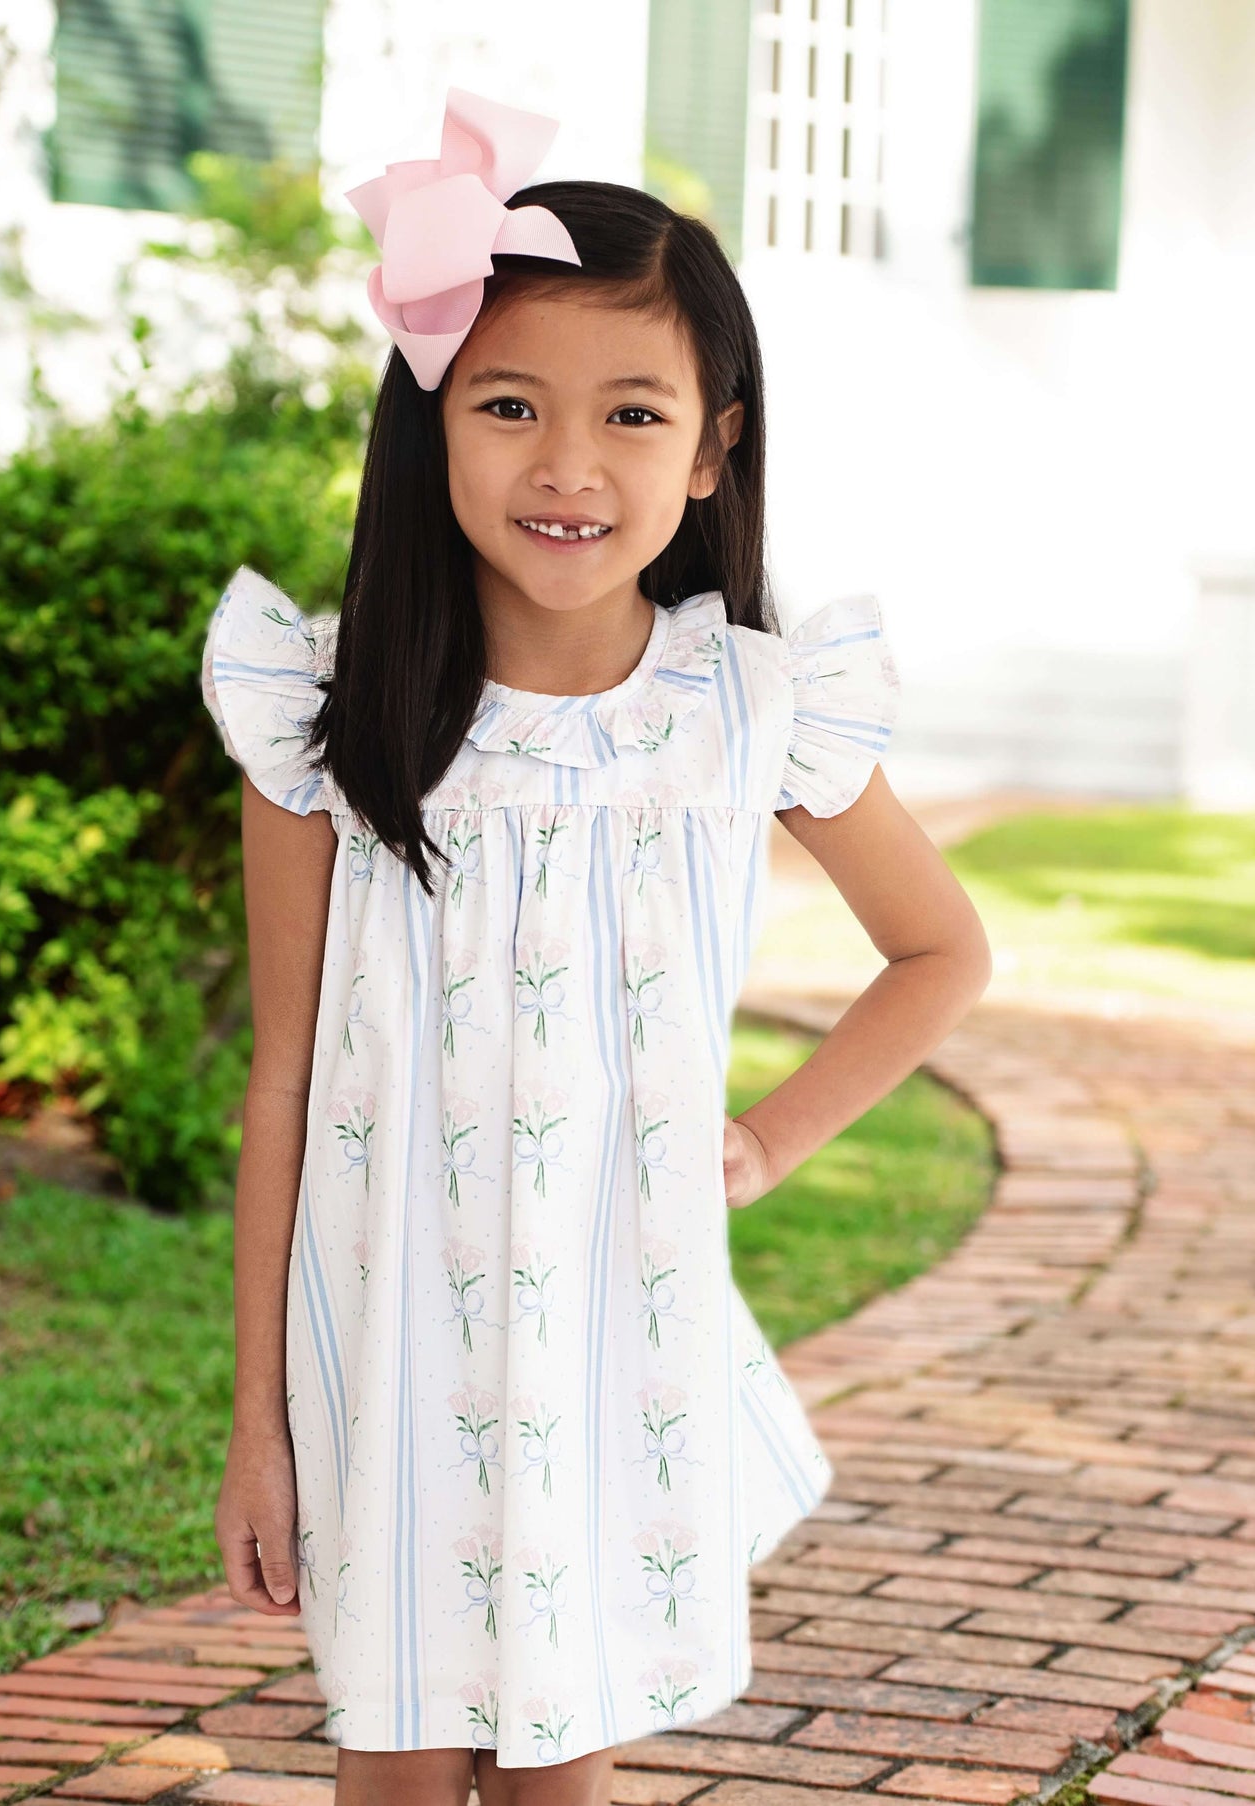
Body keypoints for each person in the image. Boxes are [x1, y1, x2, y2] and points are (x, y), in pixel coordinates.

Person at [203, 87, 991, 1806]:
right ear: (434, 422)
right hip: (386, 1328)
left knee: (564, 1755)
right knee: (401, 1755)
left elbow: (939, 948)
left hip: (610, 1331)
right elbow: (281, 1065)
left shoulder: (740, 711)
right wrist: (258, 1421)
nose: (567, 466)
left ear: (711, 447)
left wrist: (767, 1140)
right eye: (508, 406)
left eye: (631, 414)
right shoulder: (332, 721)